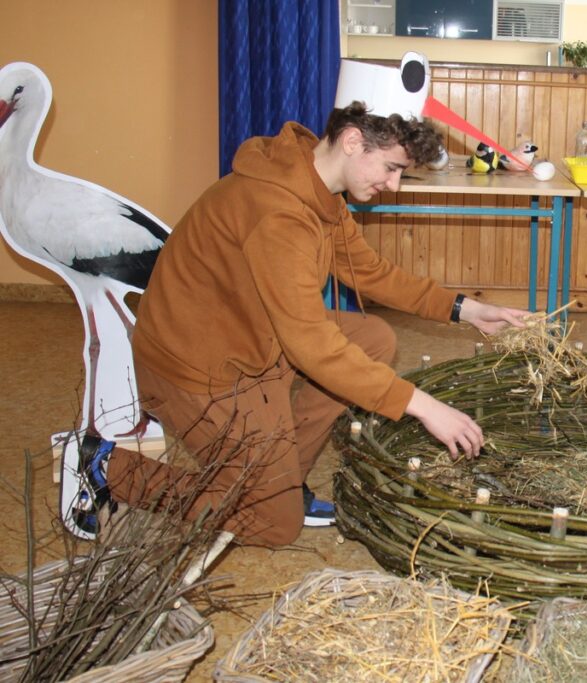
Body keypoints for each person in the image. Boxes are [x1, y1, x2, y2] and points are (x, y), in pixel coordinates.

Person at [64, 62, 529, 546]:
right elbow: (310, 344)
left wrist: (467, 309)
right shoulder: (278, 213)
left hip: (252, 336)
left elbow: (368, 273)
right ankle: (104, 464)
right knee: (272, 525)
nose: (394, 185)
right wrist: (423, 406)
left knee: (373, 338)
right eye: (392, 168)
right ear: (352, 141)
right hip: (198, 370)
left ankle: (282, 482)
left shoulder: (317, 189)